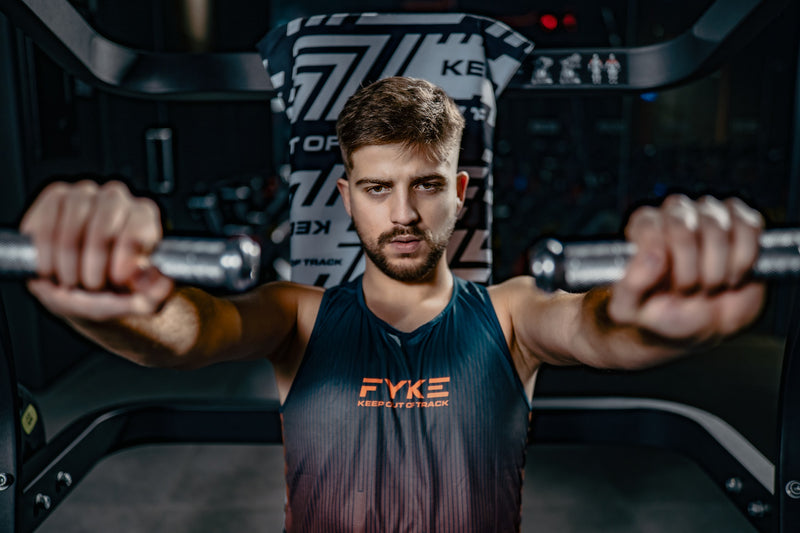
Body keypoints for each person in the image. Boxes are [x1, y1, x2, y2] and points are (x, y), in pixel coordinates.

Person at [20, 77, 765, 532]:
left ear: (460, 192)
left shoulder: (510, 315)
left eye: (427, 185)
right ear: (347, 198)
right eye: (378, 188)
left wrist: (662, 309)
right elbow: (187, 333)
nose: (403, 214)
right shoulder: (299, 316)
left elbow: (601, 329)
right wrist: (109, 300)